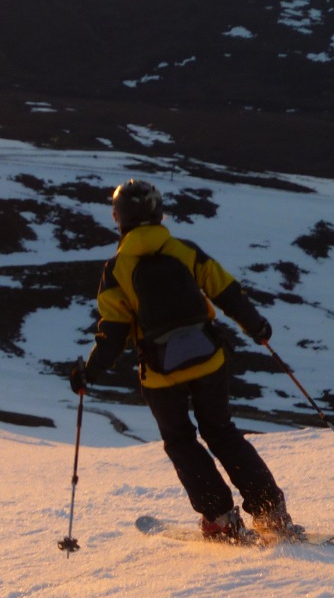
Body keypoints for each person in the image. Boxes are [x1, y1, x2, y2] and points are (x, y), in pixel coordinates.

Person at [69, 178, 300, 542]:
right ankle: (271, 512)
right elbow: (227, 291)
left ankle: (221, 520)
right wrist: (256, 326)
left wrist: (89, 372)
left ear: (119, 218)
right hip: (209, 359)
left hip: (161, 375)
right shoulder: (184, 250)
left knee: (181, 442)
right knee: (222, 432)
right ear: (159, 214)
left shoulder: (117, 269)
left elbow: (113, 332)